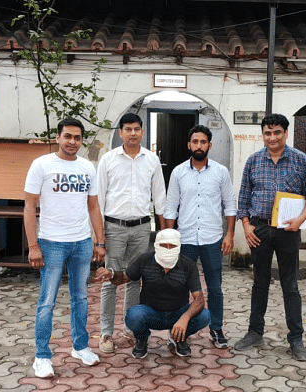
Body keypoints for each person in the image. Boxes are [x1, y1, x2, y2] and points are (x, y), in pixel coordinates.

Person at [24, 118, 107, 378]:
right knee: (47, 302)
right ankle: (41, 357)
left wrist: (100, 241)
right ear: (58, 138)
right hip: (51, 243)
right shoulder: (42, 165)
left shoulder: (87, 167)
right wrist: (33, 245)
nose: (72, 142)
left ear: (82, 140)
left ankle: (80, 347)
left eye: (77, 137)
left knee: (80, 298)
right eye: (67, 136)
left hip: (82, 242)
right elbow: (29, 207)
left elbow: (93, 206)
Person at [234, 113, 306, 361]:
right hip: (259, 230)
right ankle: (254, 332)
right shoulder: (253, 161)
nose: (272, 137)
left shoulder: (301, 160)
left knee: (290, 285)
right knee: (259, 283)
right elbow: (244, 198)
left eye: (277, 132)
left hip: (288, 231)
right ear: (263, 135)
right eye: (267, 133)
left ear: (285, 133)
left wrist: (300, 220)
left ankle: (296, 339)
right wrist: (247, 226)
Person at [97, 112, 167, 353]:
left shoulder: (152, 160)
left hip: (140, 228)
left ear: (142, 132)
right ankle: (106, 333)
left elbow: (160, 198)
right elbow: (98, 199)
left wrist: (164, 234)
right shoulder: (108, 160)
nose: (133, 133)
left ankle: (130, 328)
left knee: (134, 279)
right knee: (110, 279)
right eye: (128, 129)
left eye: (137, 129)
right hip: (114, 227)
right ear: (121, 133)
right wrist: (99, 237)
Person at [164, 125, 236, 349]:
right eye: (195, 142)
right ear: (189, 145)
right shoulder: (178, 172)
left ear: (209, 145)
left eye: (203, 142)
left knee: (215, 288)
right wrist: (169, 239)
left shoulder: (220, 172)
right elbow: (170, 208)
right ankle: (177, 331)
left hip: (212, 239)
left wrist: (230, 235)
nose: (199, 146)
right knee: (180, 288)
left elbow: (230, 205)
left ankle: (216, 328)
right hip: (185, 240)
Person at [93, 229, 210, 358]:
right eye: (163, 245)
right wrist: (111, 274)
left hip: (177, 314)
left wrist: (185, 318)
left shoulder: (188, 265)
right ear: (156, 245)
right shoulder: (145, 260)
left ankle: (179, 337)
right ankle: (142, 339)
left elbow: (199, 298)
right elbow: (124, 277)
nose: (168, 249)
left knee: (204, 316)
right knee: (133, 316)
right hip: (152, 314)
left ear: (179, 247)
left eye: (172, 246)